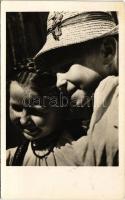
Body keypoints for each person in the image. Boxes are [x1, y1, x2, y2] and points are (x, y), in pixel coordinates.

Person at [34, 11, 119, 166]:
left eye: (66, 66)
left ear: (108, 51)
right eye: (55, 74)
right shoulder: (101, 102)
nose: (59, 82)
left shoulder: (113, 91)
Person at [6, 59, 88, 166]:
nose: (23, 120)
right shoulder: (12, 159)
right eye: (16, 108)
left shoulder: (84, 150)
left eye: (35, 110)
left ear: (63, 107)